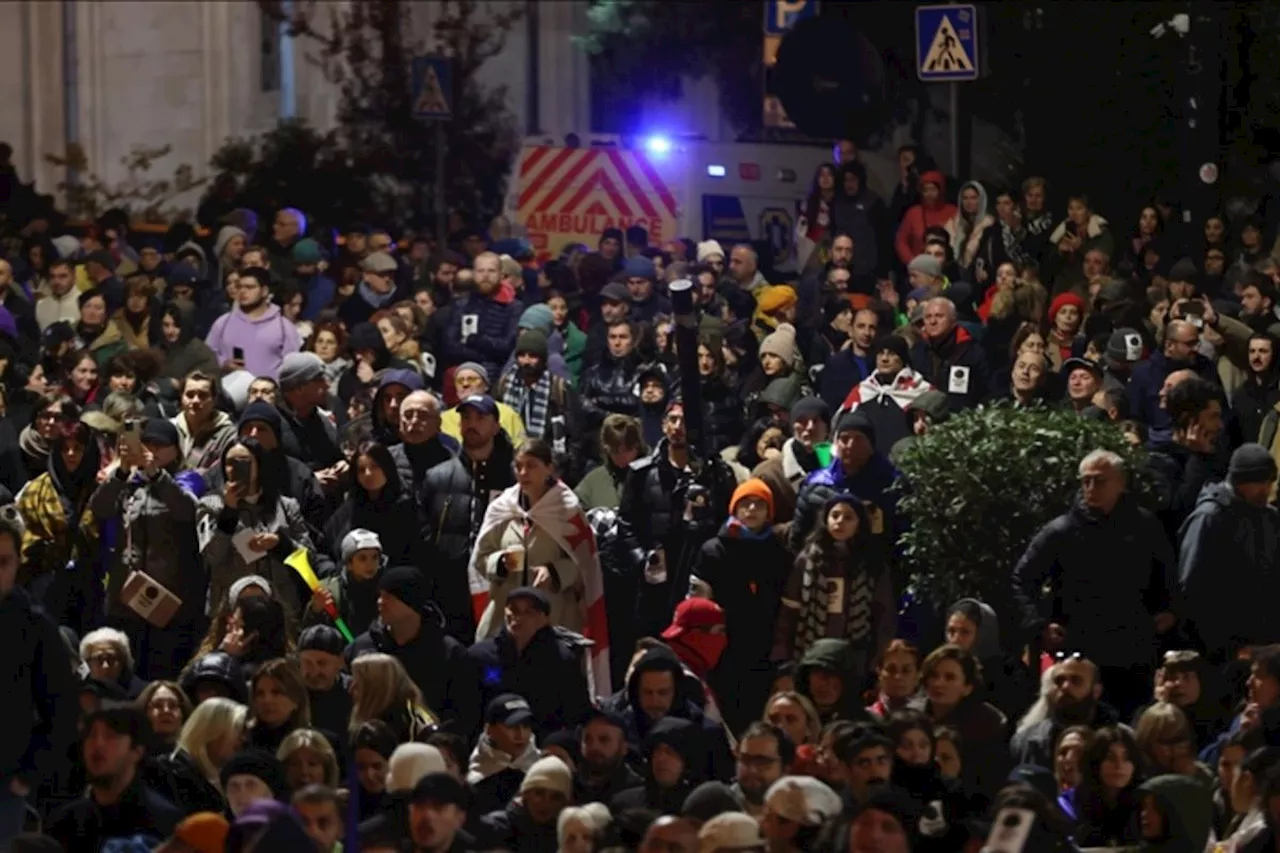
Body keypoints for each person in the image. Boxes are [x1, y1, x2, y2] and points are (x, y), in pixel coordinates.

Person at [1012, 448, 1176, 717]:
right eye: (1085, 481)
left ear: (1120, 484)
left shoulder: (1145, 527)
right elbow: (1022, 578)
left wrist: (1168, 611)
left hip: (1133, 652)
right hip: (1080, 652)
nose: (1091, 488)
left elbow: (1166, 575)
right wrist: (1039, 625)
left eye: (1099, 481)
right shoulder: (1062, 531)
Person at [92, 417, 207, 679]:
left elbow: (187, 510)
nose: (152, 450)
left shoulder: (186, 479)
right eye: (148, 444)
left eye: (160, 445)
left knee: (162, 672)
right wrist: (121, 471)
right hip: (127, 597)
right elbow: (100, 508)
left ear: (175, 449)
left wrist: (156, 474)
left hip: (169, 600)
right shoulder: (128, 482)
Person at [0, 513, 77, 846]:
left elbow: (61, 710)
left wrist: (27, 775)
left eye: (2, 561)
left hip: (4, 786)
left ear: (17, 563)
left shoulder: (35, 625)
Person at [419, 393, 517, 643]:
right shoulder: (437, 477)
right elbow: (424, 536)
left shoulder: (514, 477)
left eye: (480, 417)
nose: (471, 424)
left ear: (496, 426)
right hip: (451, 592)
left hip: (501, 587)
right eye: (466, 417)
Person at [1178, 443, 1280, 661]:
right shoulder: (1210, 518)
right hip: (1222, 650)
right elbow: (1193, 588)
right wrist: (1223, 647)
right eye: (1259, 482)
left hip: (1263, 644)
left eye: (1269, 482)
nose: (1266, 489)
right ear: (1239, 481)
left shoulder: (1269, 518)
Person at [45, 704, 184, 852]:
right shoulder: (66, 821)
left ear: (136, 751)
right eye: (91, 735)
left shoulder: (164, 822)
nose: (98, 744)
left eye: (111, 735)